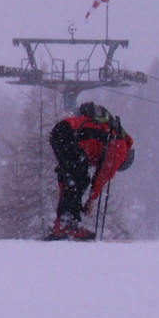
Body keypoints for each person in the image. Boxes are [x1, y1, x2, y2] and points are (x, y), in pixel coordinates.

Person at [47, 102, 134, 240]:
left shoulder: (113, 135)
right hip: (67, 134)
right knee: (79, 179)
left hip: (63, 132)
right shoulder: (121, 148)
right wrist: (92, 200)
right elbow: (103, 174)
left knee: (72, 179)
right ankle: (68, 224)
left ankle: (63, 223)